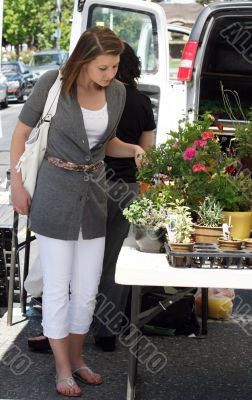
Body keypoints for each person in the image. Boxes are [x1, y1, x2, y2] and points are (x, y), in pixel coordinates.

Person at [10, 27, 145, 398]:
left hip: (94, 195)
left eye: (115, 66)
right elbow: (21, 134)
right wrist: (17, 184)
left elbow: (106, 143)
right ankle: (63, 368)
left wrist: (133, 150)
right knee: (57, 288)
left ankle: (77, 356)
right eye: (103, 67)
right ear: (84, 61)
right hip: (55, 192)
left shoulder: (116, 93)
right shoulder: (53, 83)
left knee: (87, 291)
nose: (110, 74)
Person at [93, 42, 155, 351]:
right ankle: (106, 332)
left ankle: (70, 326)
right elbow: (148, 150)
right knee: (116, 260)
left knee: (84, 256)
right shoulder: (143, 103)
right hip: (127, 188)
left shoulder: (97, 96)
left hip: (93, 183)